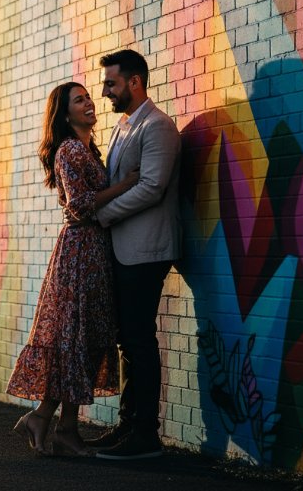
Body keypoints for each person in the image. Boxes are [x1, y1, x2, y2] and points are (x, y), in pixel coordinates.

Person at [7, 81, 139, 457]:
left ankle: (60, 427)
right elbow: (80, 206)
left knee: (85, 341)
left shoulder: (89, 149)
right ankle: (54, 425)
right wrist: (126, 185)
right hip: (79, 252)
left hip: (95, 252)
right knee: (74, 340)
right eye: (79, 100)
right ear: (66, 114)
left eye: (87, 97)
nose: (89, 103)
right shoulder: (68, 150)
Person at [88, 50, 181, 460]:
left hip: (146, 250)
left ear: (135, 82)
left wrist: (103, 216)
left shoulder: (157, 126)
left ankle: (146, 436)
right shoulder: (124, 126)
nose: (105, 91)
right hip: (125, 250)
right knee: (130, 341)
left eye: (111, 83)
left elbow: (153, 187)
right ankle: (128, 426)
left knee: (139, 341)